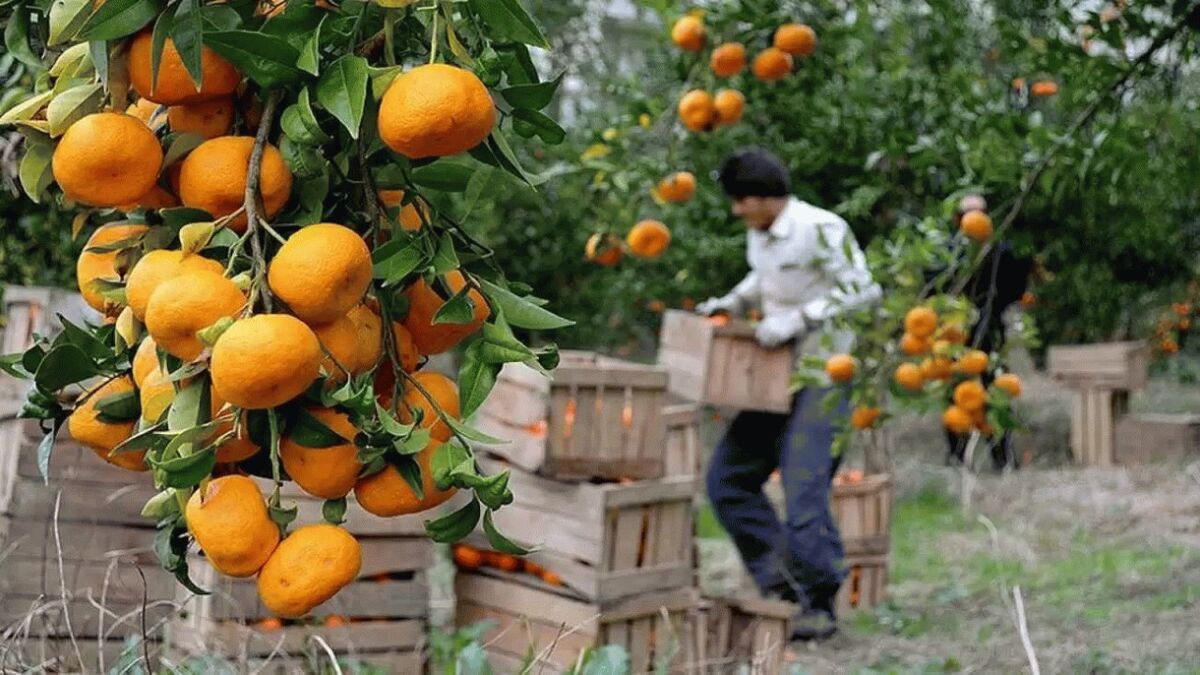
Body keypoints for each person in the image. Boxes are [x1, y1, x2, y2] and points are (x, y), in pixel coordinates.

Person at [697, 148, 881, 641]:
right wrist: (733, 301)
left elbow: (864, 291)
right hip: (773, 376)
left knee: (803, 490)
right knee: (727, 481)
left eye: (741, 202)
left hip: (822, 376)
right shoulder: (760, 238)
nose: (737, 211)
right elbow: (767, 279)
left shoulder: (822, 228)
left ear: (763, 197)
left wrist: (798, 320)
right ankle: (782, 586)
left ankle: (819, 605)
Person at [945, 195, 1032, 469]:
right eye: (968, 214)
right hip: (955, 334)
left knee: (996, 389)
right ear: (958, 220)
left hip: (990, 329)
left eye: (980, 212)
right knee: (956, 393)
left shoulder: (1000, 251)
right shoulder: (949, 254)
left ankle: (1001, 456)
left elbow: (1016, 285)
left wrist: (993, 308)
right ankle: (959, 456)